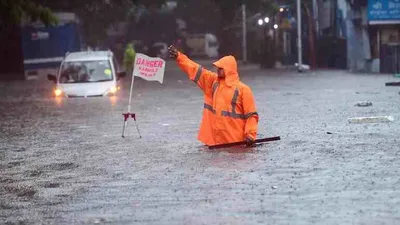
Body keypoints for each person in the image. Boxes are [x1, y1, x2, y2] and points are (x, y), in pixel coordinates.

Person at [168, 45, 259, 147]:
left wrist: (250, 135)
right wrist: (179, 57)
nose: (218, 70)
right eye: (218, 68)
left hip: (236, 144)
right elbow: (195, 70)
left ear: (229, 70)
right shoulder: (213, 82)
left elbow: (251, 115)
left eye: (221, 68)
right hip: (215, 143)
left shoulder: (243, 90)